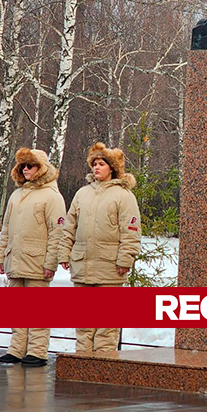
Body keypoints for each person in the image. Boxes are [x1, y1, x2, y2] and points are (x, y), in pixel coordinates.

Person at [56, 143, 141, 353]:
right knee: (84, 321)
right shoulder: (82, 194)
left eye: (101, 164)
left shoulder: (124, 196)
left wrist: (125, 259)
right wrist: (64, 253)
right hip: (82, 265)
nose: (96, 168)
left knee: (106, 323)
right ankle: (83, 360)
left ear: (111, 168)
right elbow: (69, 227)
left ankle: (104, 365)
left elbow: (130, 231)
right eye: (94, 164)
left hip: (109, 268)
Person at [0, 148, 66, 367]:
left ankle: (37, 351)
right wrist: (1, 256)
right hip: (15, 260)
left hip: (37, 262)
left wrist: (51, 263)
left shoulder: (52, 196)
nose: (26, 169)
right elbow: (6, 228)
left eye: (30, 166)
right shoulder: (16, 195)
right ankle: (16, 349)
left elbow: (58, 232)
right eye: (23, 166)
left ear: (41, 169)